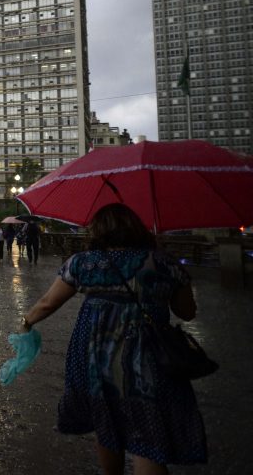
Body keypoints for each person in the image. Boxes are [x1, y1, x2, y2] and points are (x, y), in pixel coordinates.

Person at [19, 203, 206, 474]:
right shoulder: (165, 262)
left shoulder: (84, 262)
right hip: (151, 357)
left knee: (106, 419)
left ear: (100, 230)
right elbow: (187, 313)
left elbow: (49, 303)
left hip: (98, 356)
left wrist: (26, 322)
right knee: (149, 433)